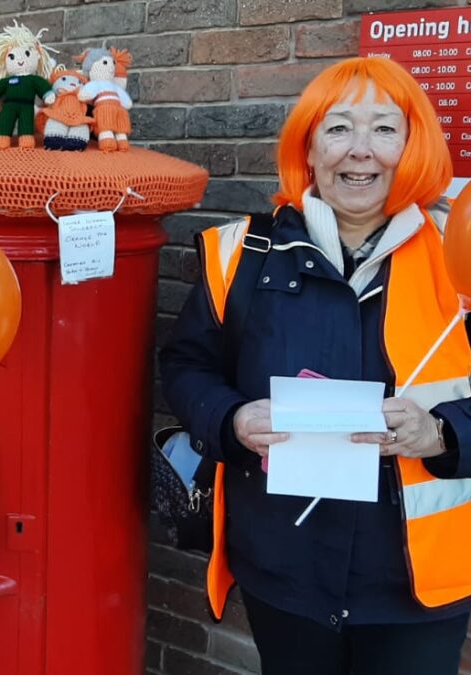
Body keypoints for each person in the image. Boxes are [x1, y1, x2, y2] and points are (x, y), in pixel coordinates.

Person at [160, 57, 471, 675]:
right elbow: (186, 365)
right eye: (338, 128)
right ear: (308, 146)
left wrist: (442, 432)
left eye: (385, 129)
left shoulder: (457, 253)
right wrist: (231, 419)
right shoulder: (240, 254)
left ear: (412, 145)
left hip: (417, 588)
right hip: (284, 575)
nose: (360, 150)